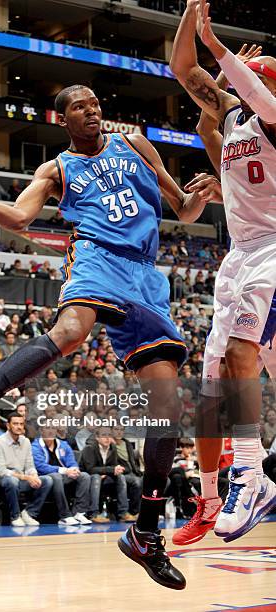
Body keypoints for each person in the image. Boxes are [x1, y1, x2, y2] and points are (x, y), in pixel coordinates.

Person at [0, 82, 209, 589]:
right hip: (95, 257)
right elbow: (19, 217)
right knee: (69, 331)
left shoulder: (135, 143)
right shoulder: (56, 170)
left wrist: (199, 196)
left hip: (146, 276)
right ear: (62, 120)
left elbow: (181, 209)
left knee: (168, 408)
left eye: (95, 103)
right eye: (79, 107)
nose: (92, 110)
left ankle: (146, 533)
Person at [170, 1, 276, 545]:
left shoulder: (274, 117)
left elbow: (256, 95)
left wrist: (220, 49)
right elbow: (182, 72)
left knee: (240, 355)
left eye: (255, 77)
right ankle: (211, 499)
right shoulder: (233, 118)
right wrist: (191, 15)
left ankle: (252, 474)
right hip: (238, 256)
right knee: (213, 387)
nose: (245, 84)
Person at [0, 412, 52, 526]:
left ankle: (29, 513)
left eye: (21, 424)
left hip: (21, 479)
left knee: (47, 480)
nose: (19, 426)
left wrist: (34, 476)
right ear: (8, 425)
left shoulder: (26, 441)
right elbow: (1, 471)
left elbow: (30, 466)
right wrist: (26, 477)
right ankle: (15, 516)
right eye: (15, 424)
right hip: (3, 480)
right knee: (11, 481)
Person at [32, 424, 92, 525]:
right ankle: (65, 516)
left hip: (64, 474)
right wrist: (64, 471)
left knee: (84, 476)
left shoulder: (63, 444)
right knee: (57, 477)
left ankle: (79, 513)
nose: (50, 431)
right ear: (41, 431)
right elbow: (40, 466)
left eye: (53, 428)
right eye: (47, 428)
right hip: (43, 477)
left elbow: (71, 461)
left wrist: (74, 469)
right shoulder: (35, 446)